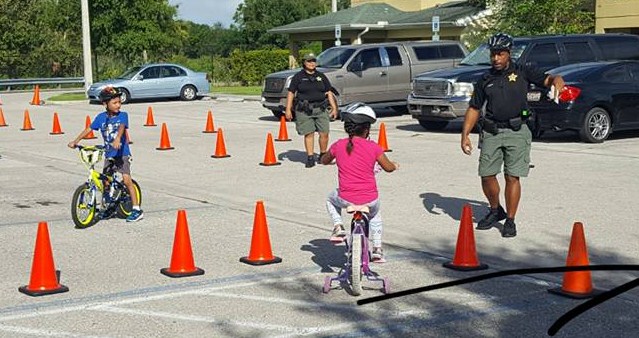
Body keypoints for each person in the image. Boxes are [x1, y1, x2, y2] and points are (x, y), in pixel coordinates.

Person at [461, 33, 565, 238]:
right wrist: (465, 135)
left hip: (518, 131)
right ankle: (495, 209)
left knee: (512, 176)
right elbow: (474, 108)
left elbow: (549, 79)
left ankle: (510, 219)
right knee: (486, 174)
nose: (496, 59)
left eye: (500, 54)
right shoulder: (485, 79)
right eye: (493, 54)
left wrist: (557, 80)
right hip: (491, 131)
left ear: (509, 53)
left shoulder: (523, 71)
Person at [320, 103, 398, 262]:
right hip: (370, 199)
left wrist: (332, 160)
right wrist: (394, 165)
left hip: (345, 198)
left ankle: (338, 226)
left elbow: (324, 160)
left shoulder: (338, 145)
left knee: (330, 199)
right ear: (367, 129)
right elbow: (388, 168)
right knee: (375, 215)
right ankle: (376, 249)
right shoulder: (374, 147)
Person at [68, 86, 143, 222]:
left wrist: (118, 139)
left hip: (122, 154)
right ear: (105, 104)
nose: (118, 105)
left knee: (126, 180)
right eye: (115, 103)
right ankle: (108, 207)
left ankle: (137, 209)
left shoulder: (123, 115)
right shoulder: (101, 118)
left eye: (119, 102)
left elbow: (121, 128)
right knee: (106, 182)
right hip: (109, 154)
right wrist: (76, 141)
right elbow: (89, 129)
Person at [285, 52, 338, 168]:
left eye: (313, 61)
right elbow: (291, 93)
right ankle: (310, 157)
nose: (312, 63)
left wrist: (334, 108)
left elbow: (329, 92)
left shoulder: (321, 76)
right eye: (309, 61)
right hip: (304, 110)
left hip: (321, 108)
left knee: (324, 133)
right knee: (309, 133)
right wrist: (288, 109)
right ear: (304, 63)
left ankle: (323, 155)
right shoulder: (298, 77)